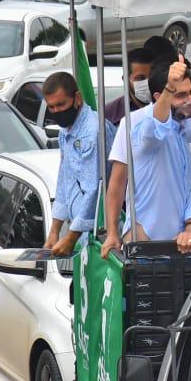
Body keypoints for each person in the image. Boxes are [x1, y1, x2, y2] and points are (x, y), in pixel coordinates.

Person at [101, 56, 191, 258]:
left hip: (184, 244)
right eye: (181, 95)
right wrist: (112, 233)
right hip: (144, 242)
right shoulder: (134, 122)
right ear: (160, 96)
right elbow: (116, 185)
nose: (190, 100)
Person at [42, 72, 115, 256]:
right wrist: (54, 231)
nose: (57, 111)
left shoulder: (92, 132)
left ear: (77, 98)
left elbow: (93, 189)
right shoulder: (65, 131)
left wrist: (70, 237)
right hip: (81, 235)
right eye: (51, 107)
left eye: (61, 104)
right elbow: (65, 180)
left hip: (101, 234)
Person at [103, 47, 155, 126]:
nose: (148, 82)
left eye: (152, 77)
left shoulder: (169, 108)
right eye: (140, 78)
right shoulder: (109, 114)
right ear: (126, 80)